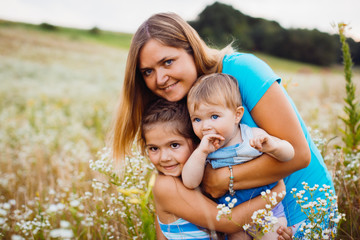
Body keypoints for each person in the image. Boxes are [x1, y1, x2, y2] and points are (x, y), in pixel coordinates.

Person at [110, 12, 334, 237]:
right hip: (240, 224)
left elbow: (300, 155)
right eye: (148, 72)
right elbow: (172, 195)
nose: (159, 79)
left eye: (168, 62)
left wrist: (222, 178)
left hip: (298, 213)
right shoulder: (173, 108)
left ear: (192, 48)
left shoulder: (242, 70)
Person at [141, 98, 288, 239]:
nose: (164, 157)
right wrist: (277, 192)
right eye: (153, 148)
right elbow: (229, 223)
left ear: (196, 143)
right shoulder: (166, 185)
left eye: (174, 145)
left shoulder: (201, 175)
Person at [182, 73, 293, 239]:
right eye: (197, 119)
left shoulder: (252, 136)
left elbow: (290, 154)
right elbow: (190, 182)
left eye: (214, 116)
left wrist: (273, 147)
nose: (205, 126)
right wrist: (201, 153)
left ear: (237, 115)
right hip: (234, 221)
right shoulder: (203, 150)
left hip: (267, 213)